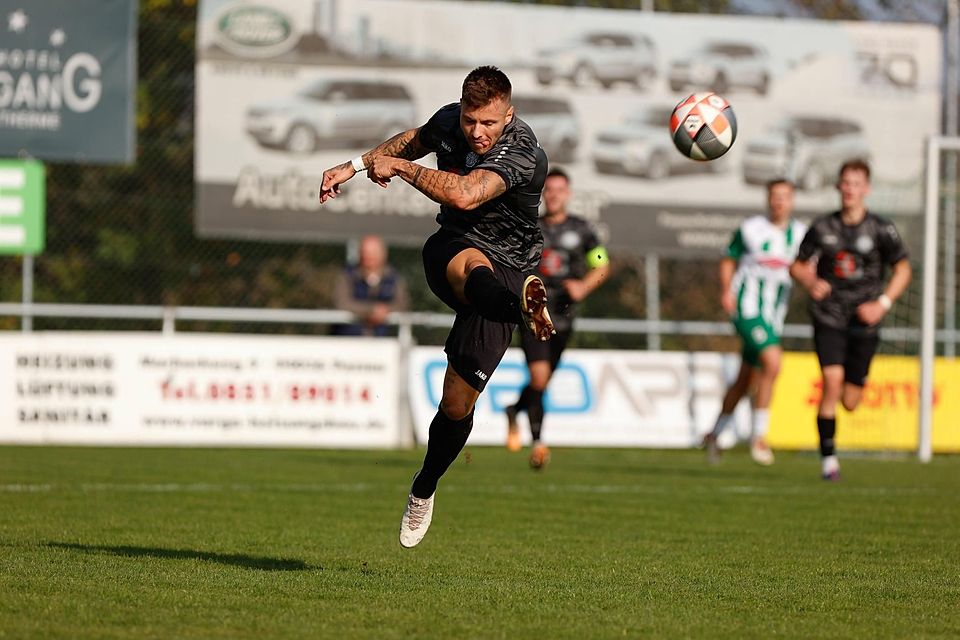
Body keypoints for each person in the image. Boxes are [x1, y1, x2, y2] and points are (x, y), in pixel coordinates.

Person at [318, 66, 554, 547]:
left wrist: (401, 171)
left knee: (456, 403)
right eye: (470, 121)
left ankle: (424, 486)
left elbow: (466, 194)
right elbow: (412, 140)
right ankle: (522, 311)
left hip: (513, 265)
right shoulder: (451, 122)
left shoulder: (523, 151)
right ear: (461, 110)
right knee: (472, 267)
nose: (477, 132)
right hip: (455, 249)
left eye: (488, 123)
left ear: (508, 114)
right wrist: (354, 166)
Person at [789, 159, 911, 480]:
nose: (849, 189)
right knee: (830, 380)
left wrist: (882, 304)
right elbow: (798, 265)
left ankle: (850, 386)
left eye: (856, 183)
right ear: (838, 187)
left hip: (865, 319)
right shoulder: (822, 227)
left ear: (866, 189)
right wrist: (810, 281)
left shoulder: (881, 229)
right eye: (845, 182)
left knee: (852, 400)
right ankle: (829, 461)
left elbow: (903, 269)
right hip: (829, 315)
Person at [504, 168, 609, 469]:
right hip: (535, 312)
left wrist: (584, 285)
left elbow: (602, 264)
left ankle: (514, 409)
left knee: (543, 381)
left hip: (565, 315)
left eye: (559, 190)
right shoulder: (529, 228)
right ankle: (538, 443)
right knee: (539, 377)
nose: (553, 195)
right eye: (548, 190)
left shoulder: (583, 231)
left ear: (568, 194)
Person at [702, 179, 806, 466]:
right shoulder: (750, 229)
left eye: (785, 196)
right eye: (774, 196)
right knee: (773, 362)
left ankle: (715, 434)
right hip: (746, 309)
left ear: (792, 200)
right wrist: (726, 290)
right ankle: (759, 436)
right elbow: (728, 259)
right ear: (768, 199)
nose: (779, 202)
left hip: (774, 316)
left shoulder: (800, 235)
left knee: (746, 379)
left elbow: (807, 269)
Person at [332, 234, 410, 337]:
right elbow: (342, 303)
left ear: (383, 254)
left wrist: (385, 311)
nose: (368, 257)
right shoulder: (347, 276)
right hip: (349, 339)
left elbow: (402, 304)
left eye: (373, 253)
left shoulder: (394, 278)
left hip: (384, 339)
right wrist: (370, 311)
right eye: (365, 252)